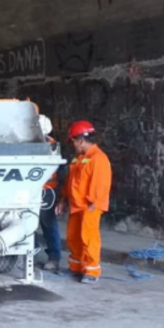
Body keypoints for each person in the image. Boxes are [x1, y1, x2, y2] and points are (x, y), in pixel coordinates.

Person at [56, 121, 112, 284]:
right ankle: (76, 267)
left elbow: (101, 183)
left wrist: (93, 202)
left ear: (80, 140)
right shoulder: (79, 159)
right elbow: (70, 182)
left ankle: (92, 271)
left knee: (89, 237)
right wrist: (63, 199)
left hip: (89, 205)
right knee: (73, 237)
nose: (73, 145)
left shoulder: (98, 158)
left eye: (73, 141)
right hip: (77, 204)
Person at [37, 116, 63, 272]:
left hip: (46, 190)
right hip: (32, 189)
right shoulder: (30, 143)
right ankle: (29, 250)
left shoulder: (50, 145)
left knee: (48, 223)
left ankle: (54, 257)